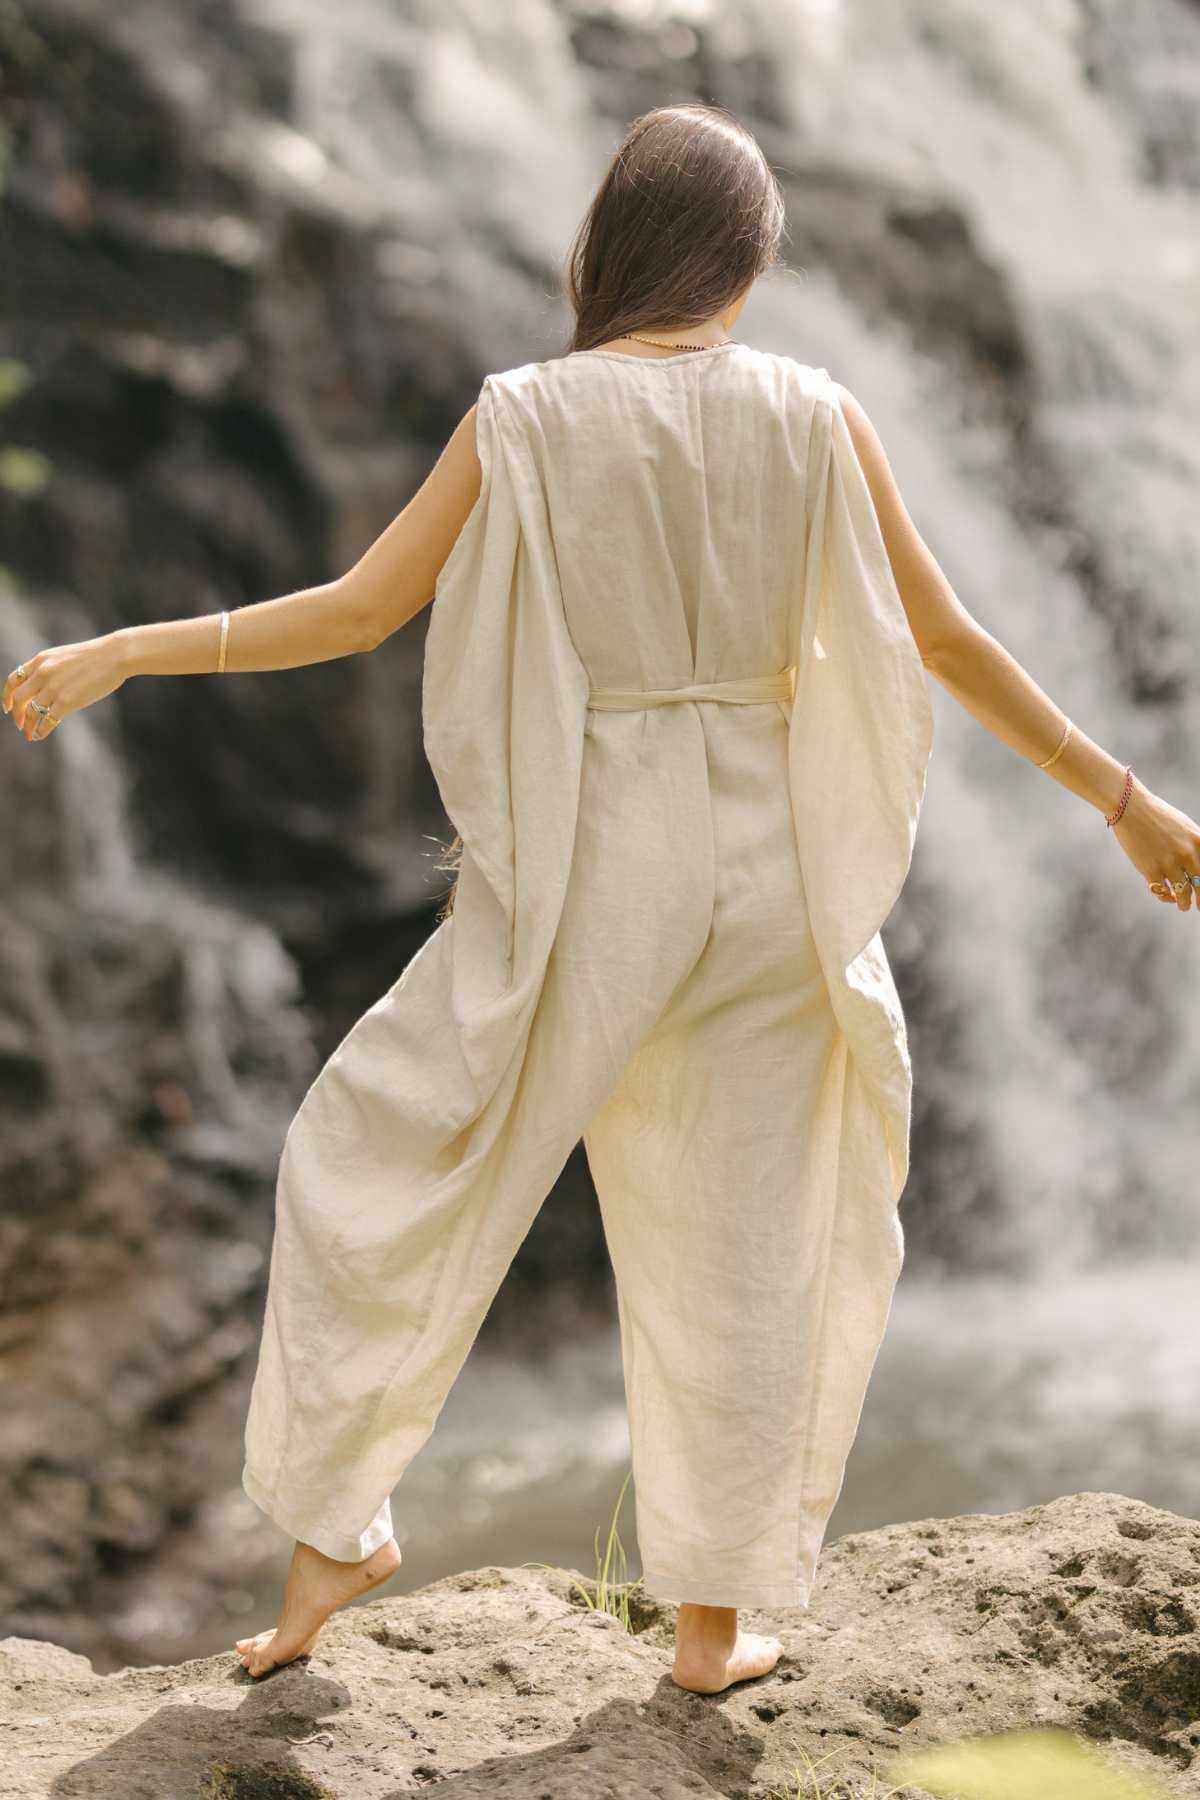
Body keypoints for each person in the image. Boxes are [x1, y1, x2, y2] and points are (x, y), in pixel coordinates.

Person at [5, 101, 1198, 1699]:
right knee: (744, 1233)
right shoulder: (817, 414)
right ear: (751, 255)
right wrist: (1126, 799)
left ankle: (332, 1543)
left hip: (596, 857)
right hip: (773, 862)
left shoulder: (526, 415)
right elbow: (952, 641)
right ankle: (713, 1629)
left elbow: (364, 612)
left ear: (608, 251)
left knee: (394, 1151)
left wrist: (134, 645)